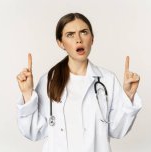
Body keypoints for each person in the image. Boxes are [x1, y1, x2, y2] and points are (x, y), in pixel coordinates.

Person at [16, 13, 142, 152]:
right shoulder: (49, 80)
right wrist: (27, 94)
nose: (78, 39)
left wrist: (128, 95)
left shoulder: (107, 80)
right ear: (60, 43)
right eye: (70, 34)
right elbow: (33, 132)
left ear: (92, 38)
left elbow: (117, 130)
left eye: (84, 32)